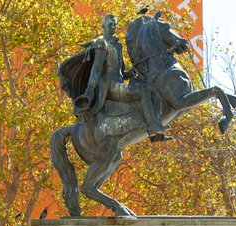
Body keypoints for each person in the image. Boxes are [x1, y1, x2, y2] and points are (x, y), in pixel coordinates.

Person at [68, 13, 170, 141]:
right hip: (110, 87)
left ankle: (155, 134)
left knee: (150, 87)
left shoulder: (117, 45)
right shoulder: (101, 43)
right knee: (144, 90)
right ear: (103, 26)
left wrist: (130, 73)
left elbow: (121, 71)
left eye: (115, 25)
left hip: (119, 84)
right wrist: (90, 87)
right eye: (110, 25)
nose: (113, 27)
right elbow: (97, 68)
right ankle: (153, 127)